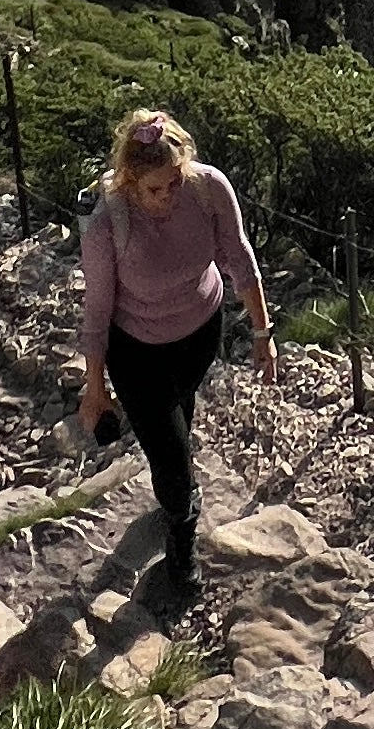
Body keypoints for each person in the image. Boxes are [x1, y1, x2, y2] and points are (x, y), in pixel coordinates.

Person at [77, 106, 274, 606]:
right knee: (169, 453)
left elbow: (238, 257)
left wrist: (261, 331)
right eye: (152, 190)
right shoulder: (106, 223)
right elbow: (97, 309)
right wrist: (95, 388)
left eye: (171, 184)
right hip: (135, 349)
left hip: (199, 332)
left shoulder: (208, 189)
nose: (164, 197)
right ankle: (181, 543)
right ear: (128, 180)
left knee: (180, 419)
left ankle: (177, 490)